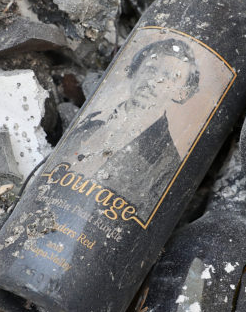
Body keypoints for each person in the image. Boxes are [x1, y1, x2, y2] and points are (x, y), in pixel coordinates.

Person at [67, 37, 220, 217]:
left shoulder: (166, 162)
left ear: (182, 92)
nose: (154, 81)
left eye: (171, 76)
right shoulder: (89, 125)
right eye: (151, 69)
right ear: (135, 71)